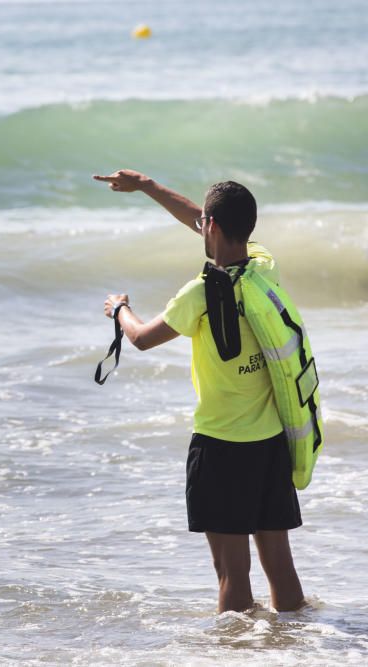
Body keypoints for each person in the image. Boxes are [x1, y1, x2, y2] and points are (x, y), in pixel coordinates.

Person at [93, 169, 305, 614]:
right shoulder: (264, 267)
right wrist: (150, 188)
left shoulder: (200, 294)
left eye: (204, 222)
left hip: (222, 447)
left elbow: (142, 338)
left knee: (232, 571)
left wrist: (120, 309)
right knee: (278, 564)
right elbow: (202, 219)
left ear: (210, 227)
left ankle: (232, 656)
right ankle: (298, 646)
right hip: (270, 442)